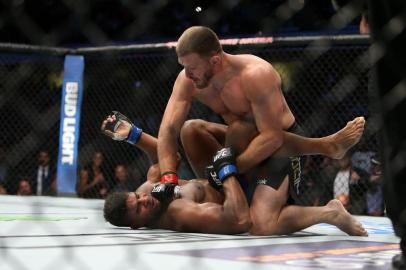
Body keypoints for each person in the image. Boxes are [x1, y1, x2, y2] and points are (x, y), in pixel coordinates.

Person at [155, 26, 366, 235]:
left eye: (191, 67)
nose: (187, 74)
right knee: (191, 130)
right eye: (183, 66)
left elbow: (272, 138)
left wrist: (231, 169)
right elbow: (168, 129)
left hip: (279, 153)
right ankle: (220, 192)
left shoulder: (255, 74)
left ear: (215, 60)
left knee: (262, 226)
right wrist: (168, 177)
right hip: (239, 145)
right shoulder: (188, 80)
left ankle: (330, 212)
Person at [102, 111, 367, 236]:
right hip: (253, 192)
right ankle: (330, 213)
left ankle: (261, 139)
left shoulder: (147, 193)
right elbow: (240, 220)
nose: (143, 200)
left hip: (237, 172)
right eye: (138, 209)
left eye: (136, 198)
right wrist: (226, 171)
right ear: (137, 225)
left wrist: (134, 136)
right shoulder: (180, 214)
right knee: (262, 226)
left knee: (191, 129)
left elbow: (163, 159)